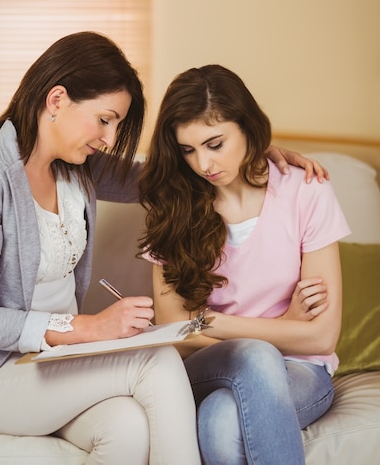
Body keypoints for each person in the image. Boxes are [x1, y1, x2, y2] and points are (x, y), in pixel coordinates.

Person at [0, 31, 201, 465]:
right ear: (57, 100)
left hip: (54, 365)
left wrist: (251, 156)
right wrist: (89, 328)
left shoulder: (79, 169)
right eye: (105, 119)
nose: (109, 138)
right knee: (159, 361)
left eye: (117, 125)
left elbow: (162, 176)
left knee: (127, 428)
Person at [138, 64, 350, 465]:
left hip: (302, 372)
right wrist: (287, 324)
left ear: (248, 128)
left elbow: (322, 338)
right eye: (188, 149)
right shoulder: (174, 206)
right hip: (212, 365)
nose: (203, 163)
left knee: (219, 421)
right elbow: (176, 332)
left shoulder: (307, 191)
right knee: (255, 356)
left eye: (215, 144)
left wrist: (214, 321)